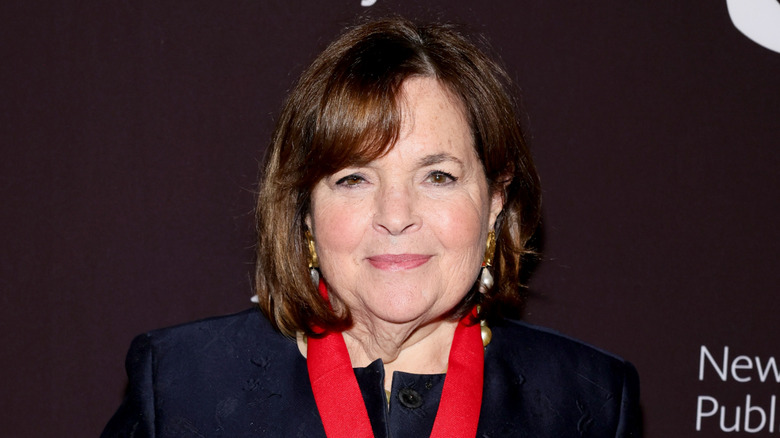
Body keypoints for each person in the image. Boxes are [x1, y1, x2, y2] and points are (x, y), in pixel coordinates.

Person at [102, 16, 641, 438]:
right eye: (354, 179)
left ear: (496, 199)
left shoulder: (588, 402)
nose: (396, 214)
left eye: (437, 175)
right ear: (305, 208)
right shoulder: (181, 386)